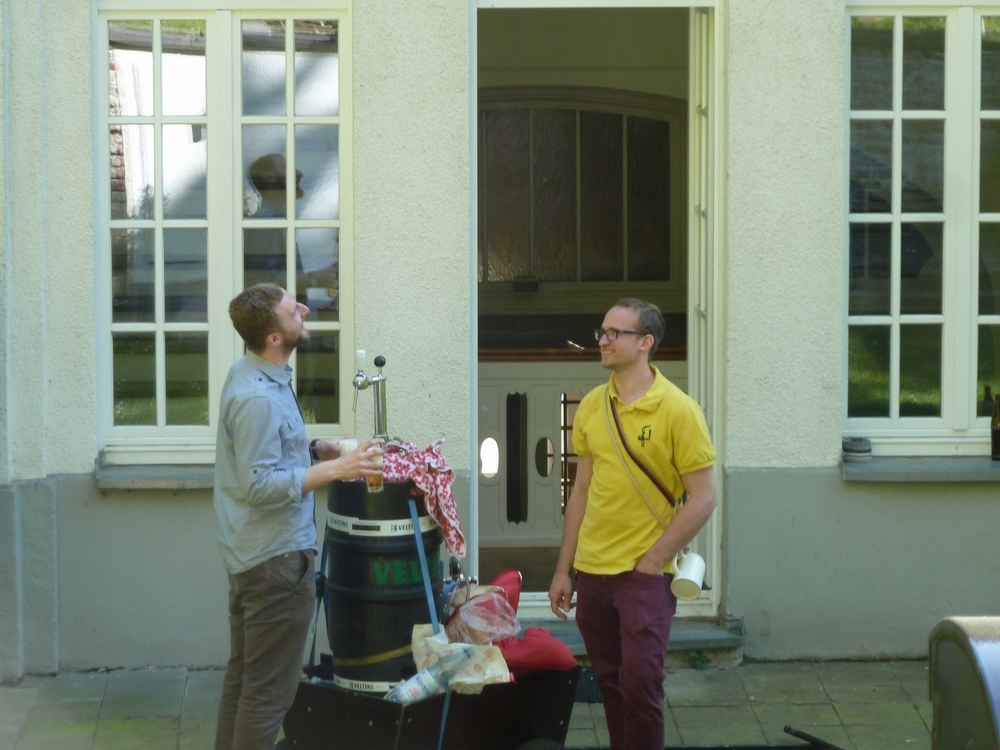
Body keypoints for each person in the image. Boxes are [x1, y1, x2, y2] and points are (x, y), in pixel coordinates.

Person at [213, 282, 382, 750]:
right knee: (269, 695)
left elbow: (268, 453)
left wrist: (316, 448)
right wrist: (338, 469)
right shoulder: (257, 398)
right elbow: (258, 484)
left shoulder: (253, 372)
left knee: (244, 680)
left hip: (253, 556)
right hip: (275, 564)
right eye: (293, 310)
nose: (305, 309)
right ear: (273, 337)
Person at [548, 298, 717, 750]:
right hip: (593, 573)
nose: (602, 341)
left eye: (614, 333)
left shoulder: (679, 410)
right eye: (601, 332)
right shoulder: (592, 406)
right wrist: (565, 569)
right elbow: (581, 492)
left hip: (644, 577)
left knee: (641, 686)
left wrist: (654, 560)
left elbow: (704, 498)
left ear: (645, 342)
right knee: (611, 684)